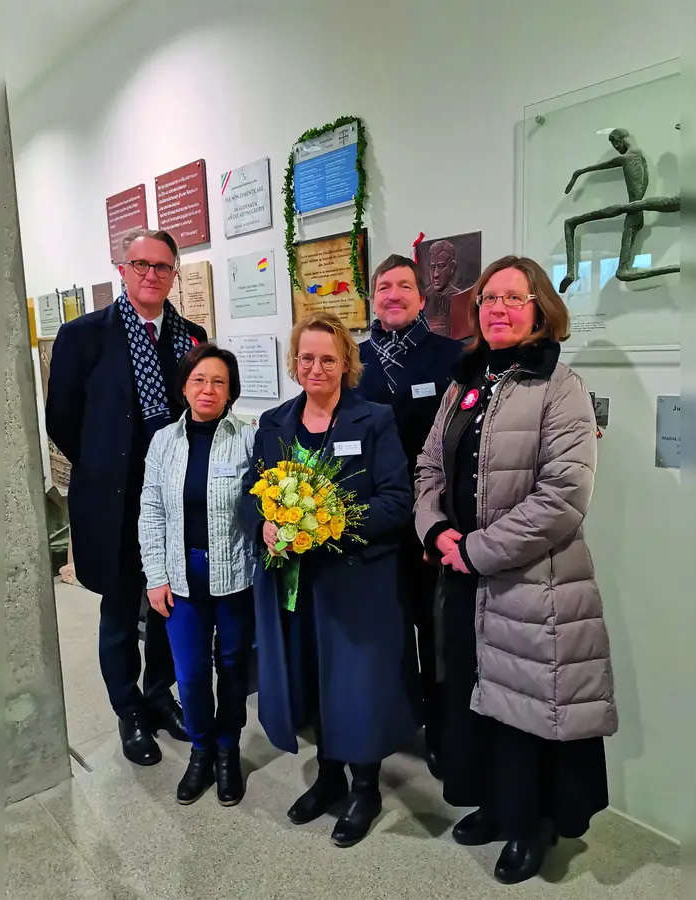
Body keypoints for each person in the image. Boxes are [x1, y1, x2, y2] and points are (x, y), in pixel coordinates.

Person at [413, 255, 615, 885]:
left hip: (534, 583)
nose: (497, 308)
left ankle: (532, 824)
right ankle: (497, 806)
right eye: (488, 299)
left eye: (512, 297)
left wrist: (475, 550)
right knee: (476, 700)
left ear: (539, 307)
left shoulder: (562, 387)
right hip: (465, 576)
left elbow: (562, 499)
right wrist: (435, 528)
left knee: (528, 706)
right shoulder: (462, 383)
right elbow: (428, 470)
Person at [240, 312, 415, 848]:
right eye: (307, 358)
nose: (317, 367)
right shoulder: (273, 423)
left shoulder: (375, 420)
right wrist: (265, 523)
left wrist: (333, 520)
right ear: (295, 364)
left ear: (346, 364)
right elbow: (252, 490)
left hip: (356, 581)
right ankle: (328, 779)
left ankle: (365, 789)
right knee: (311, 681)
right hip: (294, 585)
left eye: (328, 359)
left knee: (355, 686)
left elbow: (396, 502)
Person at [45, 228, 206, 766]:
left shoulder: (191, 334)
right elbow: (61, 419)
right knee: (119, 611)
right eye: (141, 264)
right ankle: (128, 710)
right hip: (114, 500)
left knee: (167, 602)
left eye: (162, 267)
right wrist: (102, 462)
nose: (150, 275)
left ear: (174, 273)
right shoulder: (83, 336)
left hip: (172, 498)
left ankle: (160, 695)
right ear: (123, 268)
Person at [356, 253, 466, 779]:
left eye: (404, 286)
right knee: (383, 629)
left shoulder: (452, 356)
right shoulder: (353, 360)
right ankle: (393, 721)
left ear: (423, 297)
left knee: (435, 631)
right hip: (370, 521)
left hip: (429, 521)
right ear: (372, 298)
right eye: (384, 287)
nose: (393, 294)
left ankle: (443, 734)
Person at [138, 344, 258, 806]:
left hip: (234, 578)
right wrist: (155, 575)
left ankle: (228, 752)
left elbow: (261, 504)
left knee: (231, 668)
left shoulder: (247, 438)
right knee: (188, 673)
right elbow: (150, 511)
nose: (208, 390)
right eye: (199, 380)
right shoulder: (163, 441)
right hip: (180, 579)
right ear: (185, 386)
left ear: (231, 391)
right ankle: (201, 751)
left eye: (219, 382)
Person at [423, 240, 475, 340]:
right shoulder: (420, 300)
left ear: (452, 268)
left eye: (441, 266)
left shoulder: (463, 300)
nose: (435, 274)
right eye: (432, 267)